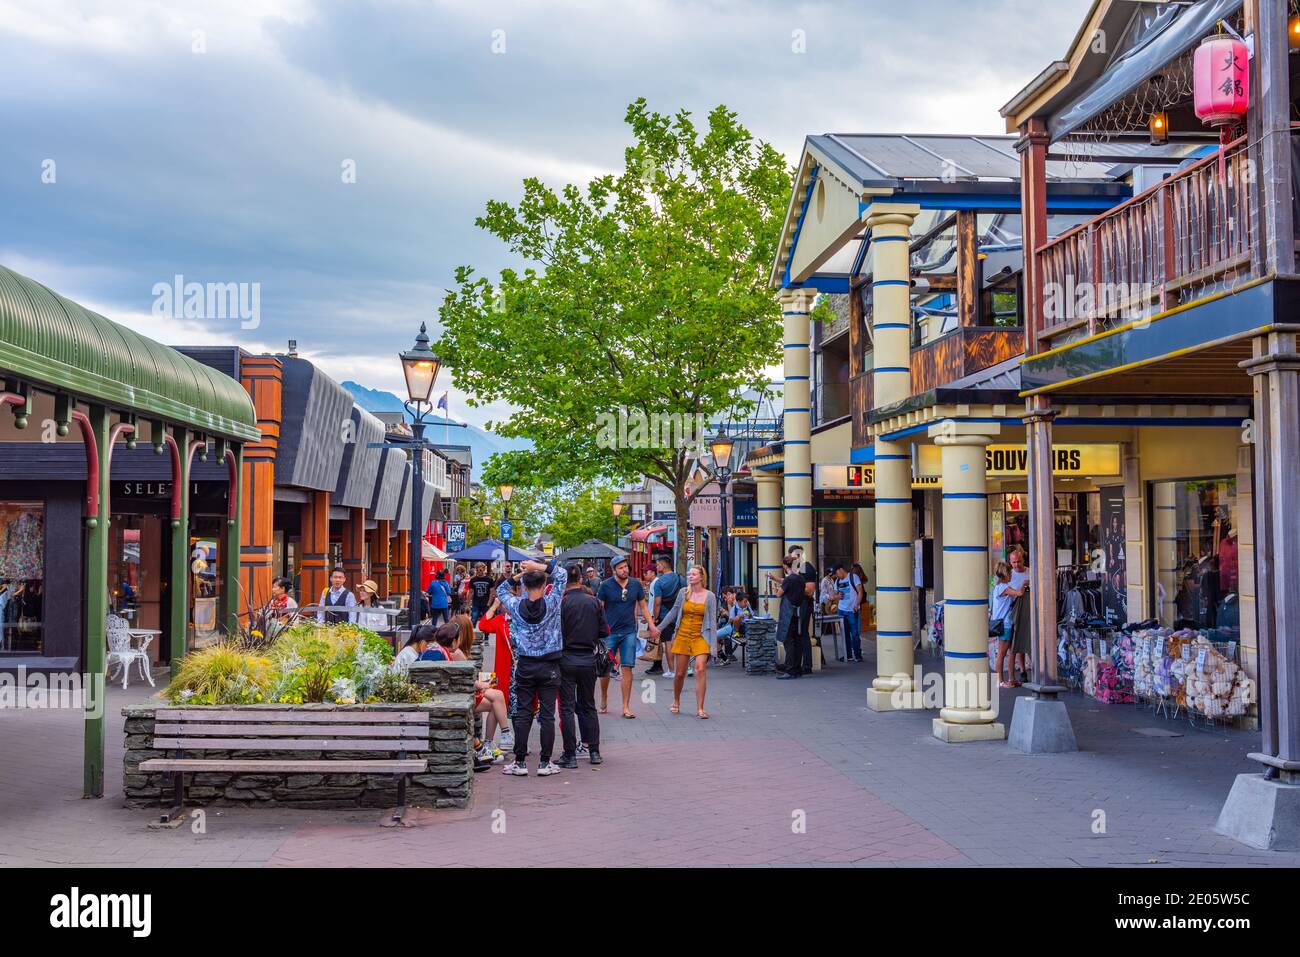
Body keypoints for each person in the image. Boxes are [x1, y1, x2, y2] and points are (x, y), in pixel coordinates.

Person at [495, 559, 567, 776]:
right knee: (547, 715)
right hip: (550, 665)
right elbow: (562, 574)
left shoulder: (516, 606)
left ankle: (520, 762)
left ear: (524, 587)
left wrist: (521, 574)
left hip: (525, 664)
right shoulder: (553, 602)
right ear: (545, 586)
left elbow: (500, 588)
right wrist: (538, 567)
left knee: (524, 713)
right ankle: (545, 763)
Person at [557, 563, 609, 768]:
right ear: (581, 579)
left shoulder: (562, 603)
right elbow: (604, 631)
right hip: (588, 658)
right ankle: (594, 751)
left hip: (567, 657)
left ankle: (569, 754)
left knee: (567, 708)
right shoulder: (594, 602)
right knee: (588, 706)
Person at [596, 553, 658, 718]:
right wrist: (597, 629)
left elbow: (643, 607)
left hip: (629, 631)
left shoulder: (635, 585)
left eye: (626, 567)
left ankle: (626, 707)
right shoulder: (605, 586)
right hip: (609, 632)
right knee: (605, 668)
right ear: (614, 570)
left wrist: (652, 626)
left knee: (627, 667)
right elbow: (599, 608)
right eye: (621, 568)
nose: (625, 570)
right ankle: (603, 697)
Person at [656, 565, 717, 718]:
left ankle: (700, 708)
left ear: (702, 577)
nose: (690, 576)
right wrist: (659, 628)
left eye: (694, 574)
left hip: (701, 636)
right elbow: (674, 612)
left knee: (700, 669)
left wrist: (713, 646)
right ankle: (676, 700)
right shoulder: (683, 593)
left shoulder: (710, 596)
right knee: (680, 673)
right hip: (683, 634)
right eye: (689, 574)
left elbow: (713, 621)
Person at [478, 586, 516, 724]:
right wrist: (494, 606)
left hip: (522, 669)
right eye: (504, 603)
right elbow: (483, 625)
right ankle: (502, 734)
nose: (508, 606)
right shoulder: (501, 620)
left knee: (519, 707)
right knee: (500, 701)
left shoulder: (525, 618)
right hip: (504, 669)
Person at [768, 554, 806, 679]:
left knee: (788, 641)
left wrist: (775, 589)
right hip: (798, 612)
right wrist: (774, 578)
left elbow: (779, 594)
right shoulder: (800, 578)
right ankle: (797, 669)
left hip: (788, 614)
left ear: (785, 566)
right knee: (797, 641)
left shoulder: (790, 579)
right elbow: (786, 582)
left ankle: (789, 670)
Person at [650, 554, 686, 679]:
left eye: (658, 564)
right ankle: (687, 667)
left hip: (666, 615)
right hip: (680, 614)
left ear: (663, 565)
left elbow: (657, 602)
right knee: (682, 641)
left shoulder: (659, 582)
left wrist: (655, 617)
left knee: (668, 643)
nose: (657, 567)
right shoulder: (679, 578)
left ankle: (672, 670)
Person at [990, 562, 1016, 688]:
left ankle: (1008, 679)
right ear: (1005, 574)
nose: (1011, 575)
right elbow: (1019, 593)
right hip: (1004, 625)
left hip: (1005, 624)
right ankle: (1000, 681)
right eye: (1010, 573)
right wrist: (1025, 584)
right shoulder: (1003, 588)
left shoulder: (997, 587)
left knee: (1007, 651)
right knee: (1001, 653)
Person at [835, 565, 863, 662]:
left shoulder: (853, 577)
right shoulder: (837, 581)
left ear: (841, 569)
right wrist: (837, 596)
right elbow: (835, 594)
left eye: (837, 573)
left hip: (852, 610)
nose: (837, 576)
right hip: (841, 610)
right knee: (844, 633)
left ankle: (858, 654)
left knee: (855, 633)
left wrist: (856, 604)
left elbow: (860, 592)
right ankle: (848, 655)